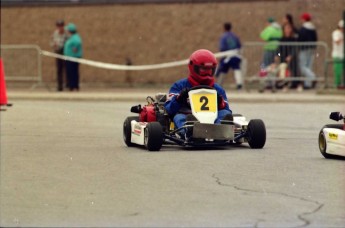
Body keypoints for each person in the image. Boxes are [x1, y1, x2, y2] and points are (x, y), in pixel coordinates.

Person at [164, 49, 232, 139]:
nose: (207, 72)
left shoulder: (218, 89)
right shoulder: (179, 86)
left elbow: (227, 110)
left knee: (225, 113)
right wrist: (179, 98)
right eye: (203, 69)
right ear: (193, 67)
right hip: (188, 115)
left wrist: (220, 103)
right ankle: (190, 131)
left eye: (210, 69)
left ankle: (218, 131)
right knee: (179, 117)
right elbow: (169, 110)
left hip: (212, 119)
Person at [215, 22, 243, 90]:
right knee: (237, 69)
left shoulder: (223, 37)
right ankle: (239, 83)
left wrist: (223, 54)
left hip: (227, 56)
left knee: (223, 70)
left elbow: (222, 47)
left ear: (224, 28)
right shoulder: (235, 36)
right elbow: (239, 45)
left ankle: (219, 84)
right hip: (235, 55)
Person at [297, 12, 318, 90]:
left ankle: (312, 77)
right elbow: (315, 39)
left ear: (304, 19)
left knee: (303, 66)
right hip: (311, 49)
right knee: (309, 66)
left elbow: (300, 39)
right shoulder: (313, 28)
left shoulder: (303, 28)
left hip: (304, 49)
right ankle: (307, 84)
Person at [63, 23, 83, 91]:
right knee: (70, 72)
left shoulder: (75, 37)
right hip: (69, 57)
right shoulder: (71, 37)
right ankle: (71, 85)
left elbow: (78, 42)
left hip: (73, 57)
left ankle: (73, 86)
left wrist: (75, 48)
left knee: (72, 72)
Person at [50, 19, 68, 91]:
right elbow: (51, 42)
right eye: (58, 26)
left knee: (66, 69)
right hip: (58, 52)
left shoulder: (66, 34)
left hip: (65, 52)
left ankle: (67, 84)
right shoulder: (55, 33)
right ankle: (59, 86)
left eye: (61, 26)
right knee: (59, 70)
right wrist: (53, 45)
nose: (60, 27)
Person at [331, 19, 344, 88]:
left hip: (342, 54)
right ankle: (337, 84)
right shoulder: (336, 33)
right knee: (338, 71)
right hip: (337, 54)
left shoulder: (342, 33)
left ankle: (341, 84)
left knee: (342, 70)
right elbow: (337, 41)